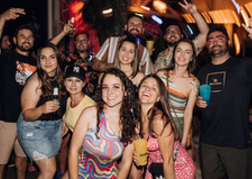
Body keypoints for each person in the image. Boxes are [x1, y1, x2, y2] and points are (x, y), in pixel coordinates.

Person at [196, 27, 251, 179]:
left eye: (219, 38)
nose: (214, 42)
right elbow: (195, 96)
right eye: (210, 40)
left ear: (227, 41)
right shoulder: (202, 71)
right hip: (208, 141)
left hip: (236, 140)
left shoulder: (244, 66)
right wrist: (196, 101)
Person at [68, 68, 139, 179]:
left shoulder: (131, 124)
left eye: (116, 87)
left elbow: (125, 162)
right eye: (105, 87)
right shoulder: (90, 114)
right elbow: (73, 151)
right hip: (79, 174)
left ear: (125, 91)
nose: (110, 92)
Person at [17, 43, 67, 179]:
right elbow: (27, 114)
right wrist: (41, 109)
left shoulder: (60, 77)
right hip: (33, 128)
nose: (48, 62)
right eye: (43, 58)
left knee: (51, 169)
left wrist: (64, 118)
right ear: (39, 61)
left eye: (51, 57)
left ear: (57, 58)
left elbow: (63, 101)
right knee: (49, 171)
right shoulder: (35, 82)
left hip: (54, 126)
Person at [131, 74, 195, 179]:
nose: (147, 89)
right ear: (138, 90)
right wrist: (138, 156)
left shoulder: (159, 120)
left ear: (158, 98)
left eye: (153, 88)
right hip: (154, 167)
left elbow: (168, 161)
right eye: (144, 85)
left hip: (177, 168)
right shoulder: (135, 118)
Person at [0, 8, 37, 179]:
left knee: (22, 159)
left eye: (30, 36)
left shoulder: (36, 62)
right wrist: (2, 19)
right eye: (22, 36)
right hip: (7, 119)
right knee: (2, 161)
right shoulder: (7, 57)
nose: (27, 39)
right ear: (14, 40)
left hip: (27, 120)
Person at [156, 39, 199, 151]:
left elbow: (188, 112)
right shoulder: (161, 75)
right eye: (179, 50)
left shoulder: (193, 82)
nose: (182, 55)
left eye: (187, 52)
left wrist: (184, 140)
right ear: (174, 54)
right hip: (157, 124)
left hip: (177, 129)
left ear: (192, 58)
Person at [59, 64, 96, 179]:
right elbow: (71, 113)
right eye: (70, 80)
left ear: (84, 84)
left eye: (78, 81)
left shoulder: (90, 107)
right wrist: (65, 120)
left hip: (90, 156)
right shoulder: (70, 99)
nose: (73, 85)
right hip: (79, 153)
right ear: (64, 82)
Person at [154, 0, 209, 71]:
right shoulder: (161, 54)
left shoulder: (187, 50)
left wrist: (194, 13)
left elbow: (205, 34)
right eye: (169, 32)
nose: (172, 33)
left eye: (176, 31)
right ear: (164, 37)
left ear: (182, 36)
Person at [50, 23, 98, 100]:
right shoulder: (67, 58)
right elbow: (49, 47)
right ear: (74, 43)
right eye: (78, 40)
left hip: (91, 102)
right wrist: (64, 32)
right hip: (70, 101)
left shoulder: (96, 61)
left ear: (88, 42)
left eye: (84, 40)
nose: (81, 43)